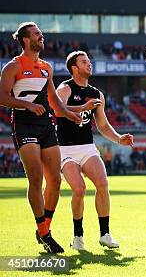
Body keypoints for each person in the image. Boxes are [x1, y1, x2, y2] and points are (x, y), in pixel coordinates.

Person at [0, 22, 81, 253]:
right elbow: (2, 97)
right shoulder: (13, 67)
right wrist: (27, 105)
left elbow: (53, 99)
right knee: (36, 180)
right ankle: (45, 234)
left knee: (55, 180)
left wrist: (68, 114)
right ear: (26, 40)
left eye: (41, 34)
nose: (41, 36)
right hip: (25, 126)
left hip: (47, 125)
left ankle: (43, 227)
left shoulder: (46, 67)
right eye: (37, 34)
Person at [55, 51, 134, 251]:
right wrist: (83, 107)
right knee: (80, 189)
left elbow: (103, 126)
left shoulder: (97, 94)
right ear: (74, 67)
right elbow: (56, 110)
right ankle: (78, 236)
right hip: (65, 149)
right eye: (84, 62)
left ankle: (105, 234)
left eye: (89, 61)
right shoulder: (65, 88)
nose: (89, 64)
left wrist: (119, 138)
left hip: (87, 147)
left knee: (102, 183)